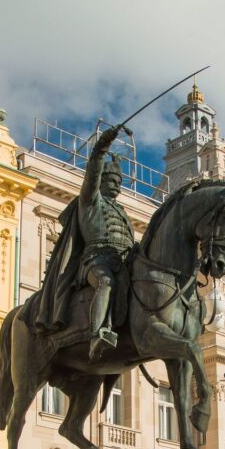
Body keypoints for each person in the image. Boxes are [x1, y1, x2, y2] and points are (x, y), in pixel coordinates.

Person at [33, 124, 135, 360]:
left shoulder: (122, 212)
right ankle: (98, 333)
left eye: (119, 180)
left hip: (123, 263)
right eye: (111, 179)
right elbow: (92, 174)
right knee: (105, 282)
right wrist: (101, 147)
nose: (117, 184)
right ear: (100, 181)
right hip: (95, 260)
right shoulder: (90, 201)